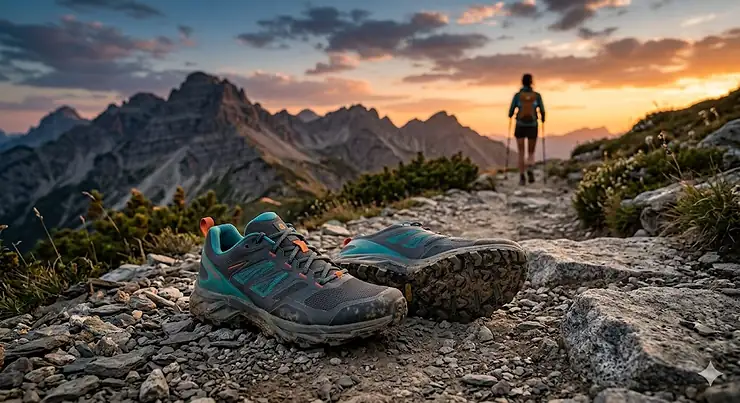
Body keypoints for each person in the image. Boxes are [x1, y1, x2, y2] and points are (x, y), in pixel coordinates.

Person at [508, 73, 545, 185]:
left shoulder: (518, 96)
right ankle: (530, 169)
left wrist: (511, 115)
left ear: (522, 82)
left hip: (520, 125)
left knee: (521, 152)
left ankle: (522, 176)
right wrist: (542, 119)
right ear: (531, 82)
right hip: (532, 125)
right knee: (531, 152)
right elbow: (542, 110)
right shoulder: (537, 96)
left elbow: (510, 111)